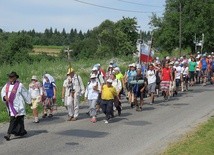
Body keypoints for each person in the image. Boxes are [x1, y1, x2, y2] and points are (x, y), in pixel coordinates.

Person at [1, 72, 31, 141]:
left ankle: (20, 132)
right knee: (13, 120)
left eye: (11, 77)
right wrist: (4, 97)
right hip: (12, 106)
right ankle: (9, 134)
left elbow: (25, 93)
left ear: (15, 78)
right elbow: (2, 92)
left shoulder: (20, 85)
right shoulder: (7, 85)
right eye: (9, 77)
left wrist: (29, 102)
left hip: (19, 105)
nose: (10, 78)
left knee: (20, 120)